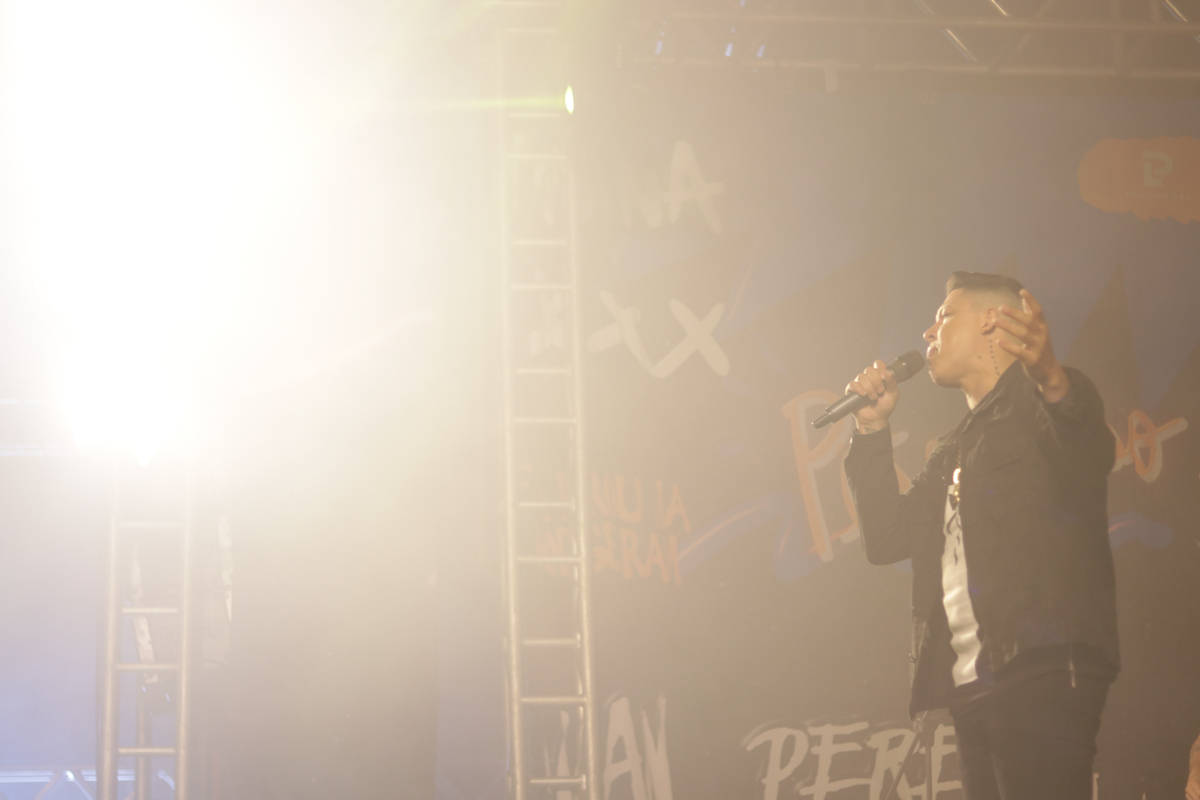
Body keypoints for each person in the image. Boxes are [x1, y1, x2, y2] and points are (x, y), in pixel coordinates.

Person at [842, 272, 1119, 800]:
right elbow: (887, 539)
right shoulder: (956, 446)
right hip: (972, 682)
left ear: (992, 320)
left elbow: (1088, 445)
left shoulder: (1043, 403)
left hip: (1038, 665)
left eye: (945, 316)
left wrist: (1051, 377)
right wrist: (872, 431)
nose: (929, 333)